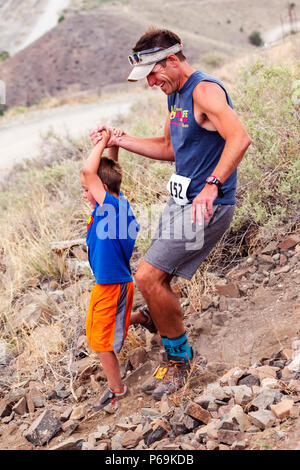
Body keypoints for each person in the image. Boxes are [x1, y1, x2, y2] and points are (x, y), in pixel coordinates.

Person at [90, 28, 251, 400]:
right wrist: (119, 140)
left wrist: (212, 185)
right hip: (181, 201)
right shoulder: (175, 94)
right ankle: (158, 322)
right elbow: (168, 146)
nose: (149, 83)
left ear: (173, 60)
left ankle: (180, 362)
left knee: (148, 276)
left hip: (207, 205)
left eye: (152, 74)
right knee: (155, 276)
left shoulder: (203, 91)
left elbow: (239, 138)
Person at [80, 128, 139, 409]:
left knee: (102, 343)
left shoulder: (110, 209)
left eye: (86, 190)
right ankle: (140, 317)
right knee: (95, 331)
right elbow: (110, 174)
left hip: (112, 285)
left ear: (101, 190)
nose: (85, 193)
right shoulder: (118, 203)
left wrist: (102, 142)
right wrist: (111, 148)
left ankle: (118, 391)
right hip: (109, 284)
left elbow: (89, 173)